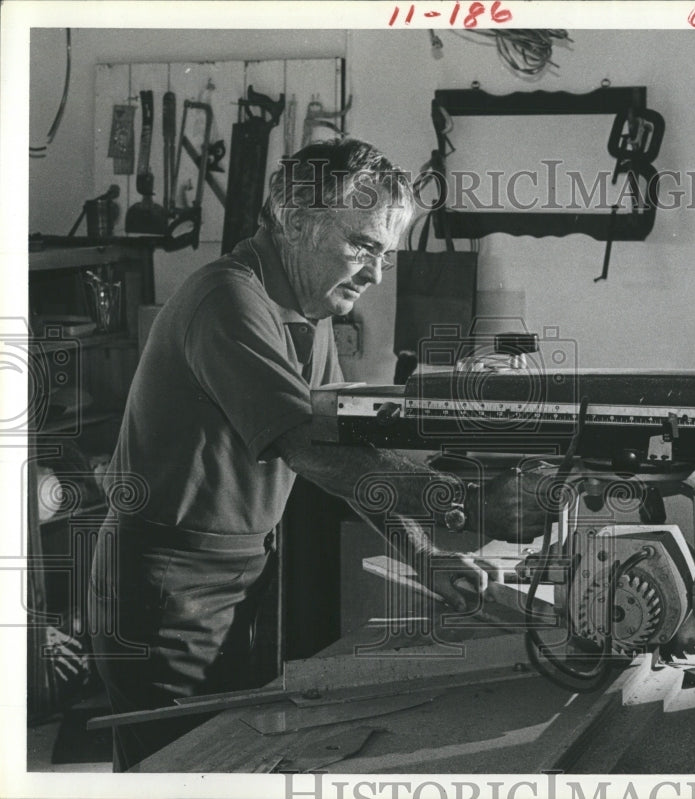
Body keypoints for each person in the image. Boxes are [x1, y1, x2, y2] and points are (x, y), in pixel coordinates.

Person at [88, 138, 545, 771]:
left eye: (384, 254)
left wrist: (427, 557)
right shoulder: (228, 300)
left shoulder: (308, 309)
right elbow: (312, 451)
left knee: (233, 758)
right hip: (167, 584)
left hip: (241, 572)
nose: (376, 274)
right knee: (177, 767)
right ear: (299, 224)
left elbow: (345, 451)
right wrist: (465, 504)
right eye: (363, 246)